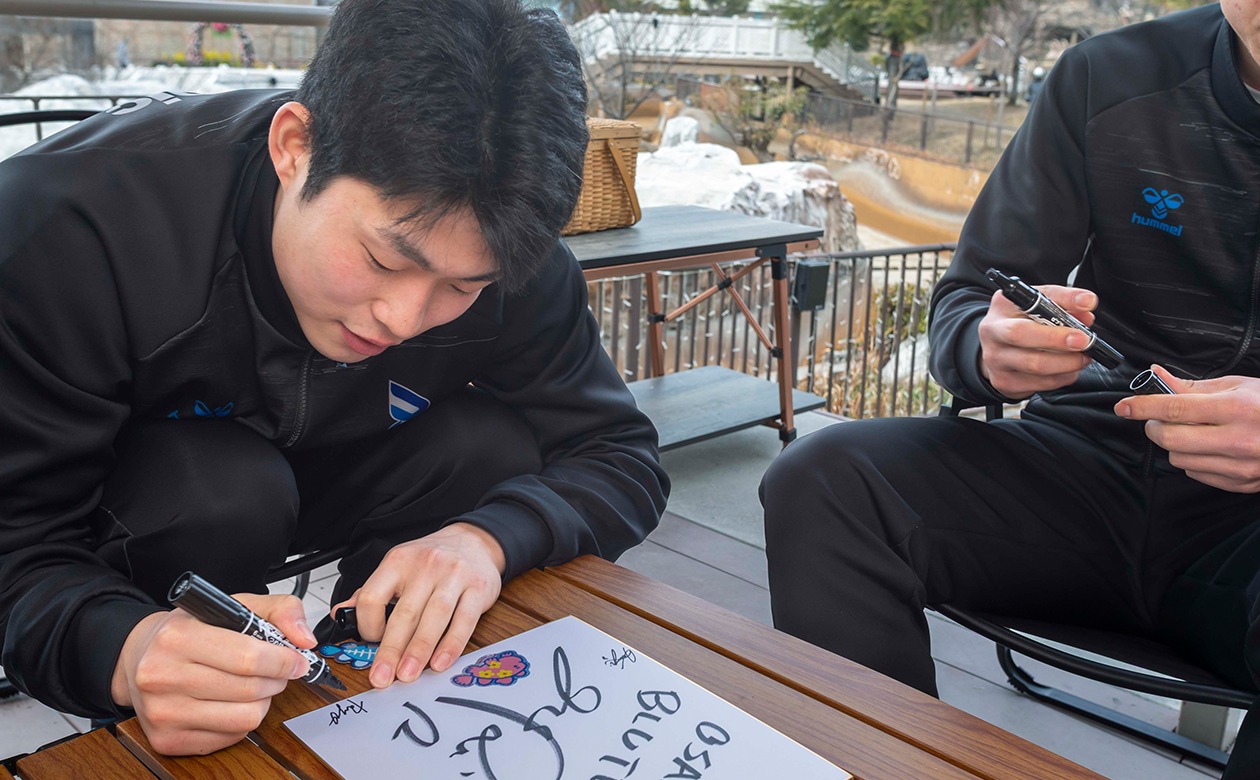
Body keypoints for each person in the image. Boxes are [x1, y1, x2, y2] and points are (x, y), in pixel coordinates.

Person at [0, 0, 668, 757]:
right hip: (146, 514)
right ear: (294, 146)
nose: (406, 317)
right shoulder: (66, 228)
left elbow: (622, 453)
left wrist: (485, 540)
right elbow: (15, 545)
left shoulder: (509, 252)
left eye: (464, 286)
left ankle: (367, 669)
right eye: (387, 259)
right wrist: (123, 646)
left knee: (489, 450)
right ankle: (173, 698)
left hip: (353, 469)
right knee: (218, 492)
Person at [762, 2, 1260, 775]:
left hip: (1244, 539)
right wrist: (987, 349)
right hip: (1082, 468)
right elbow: (966, 300)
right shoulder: (1109, 77)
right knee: (824, 479)